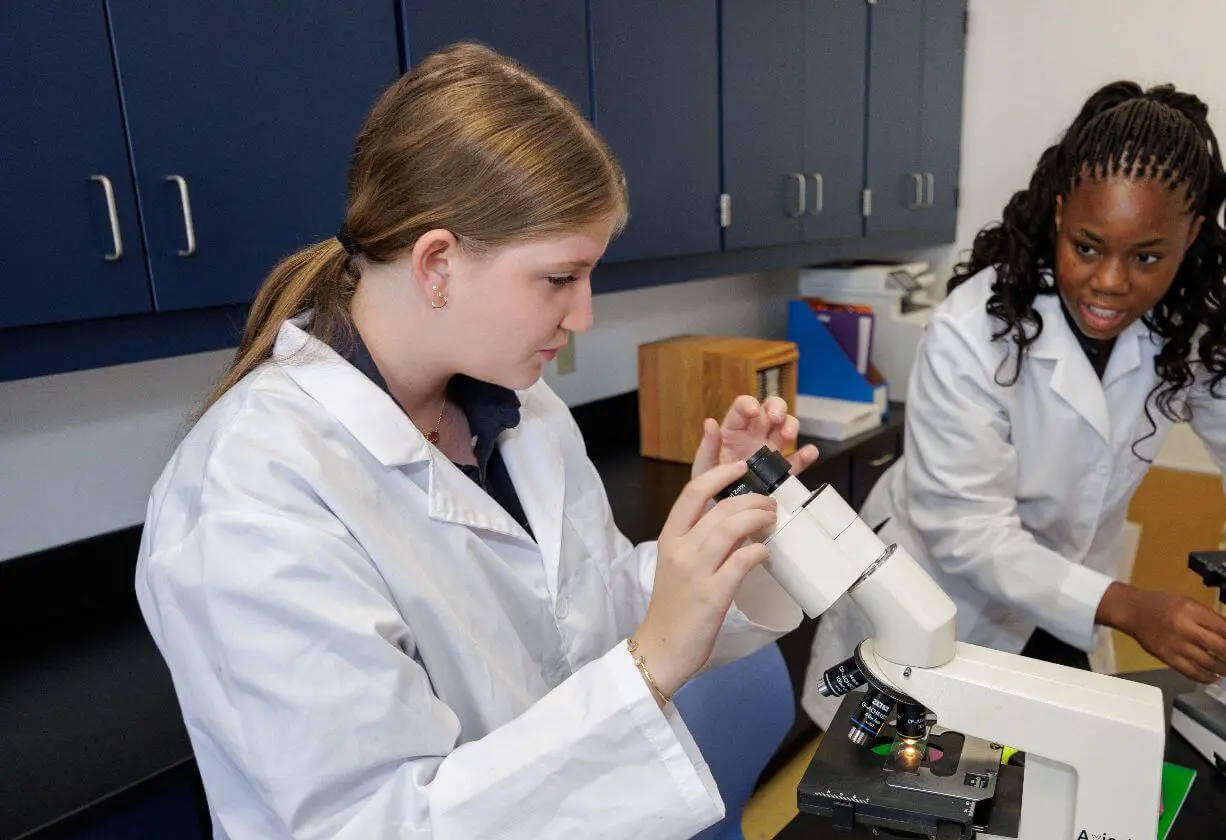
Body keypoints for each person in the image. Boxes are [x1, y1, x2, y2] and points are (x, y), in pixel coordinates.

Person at [136, 43, 820, 839]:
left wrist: (710, 539)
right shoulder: (250, 491)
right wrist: (652, 664)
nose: (583, 315)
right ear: (436, 264)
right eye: (560, 278)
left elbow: (582, 620)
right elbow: (372, 822)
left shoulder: (521, 412)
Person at [803, 80, 1226, 729]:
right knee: (895, 794)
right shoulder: (972, 329)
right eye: (1088, 246)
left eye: (1148, 256)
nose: (1110, 281)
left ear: (1192, 236)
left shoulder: (1202, 329)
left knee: (1055, 785)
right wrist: (1131, 607)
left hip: (1070, 601)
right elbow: (967, 533)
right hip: (937, 599)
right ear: (1061, 214)